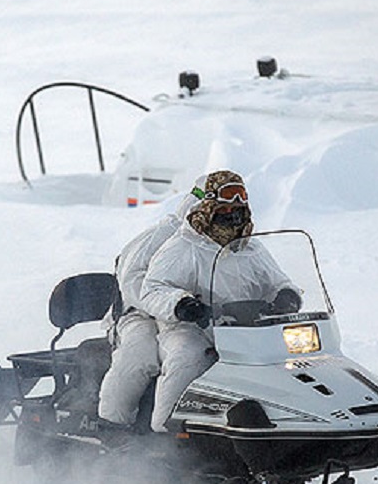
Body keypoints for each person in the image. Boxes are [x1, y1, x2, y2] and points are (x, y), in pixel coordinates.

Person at [139, 169, 301, 433]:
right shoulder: (185, 245)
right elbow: (152, 288)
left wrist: (287, 296)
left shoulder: (251, 247)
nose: (236, 203)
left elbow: (277, 281)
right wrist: (182, 305)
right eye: (228, 195)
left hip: (247, 328)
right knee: (188, 358)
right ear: (211, 201)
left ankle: (292, 420)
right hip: (191, 328)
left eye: (242, 195)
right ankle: (166, 429)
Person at [96, 189, 198, 432]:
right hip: (140, 314)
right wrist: (173, 303)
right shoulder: (159, 237)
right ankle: (113, 425)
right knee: (140, 353)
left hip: (188, 316)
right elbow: (131, 282)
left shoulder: (229, 244)